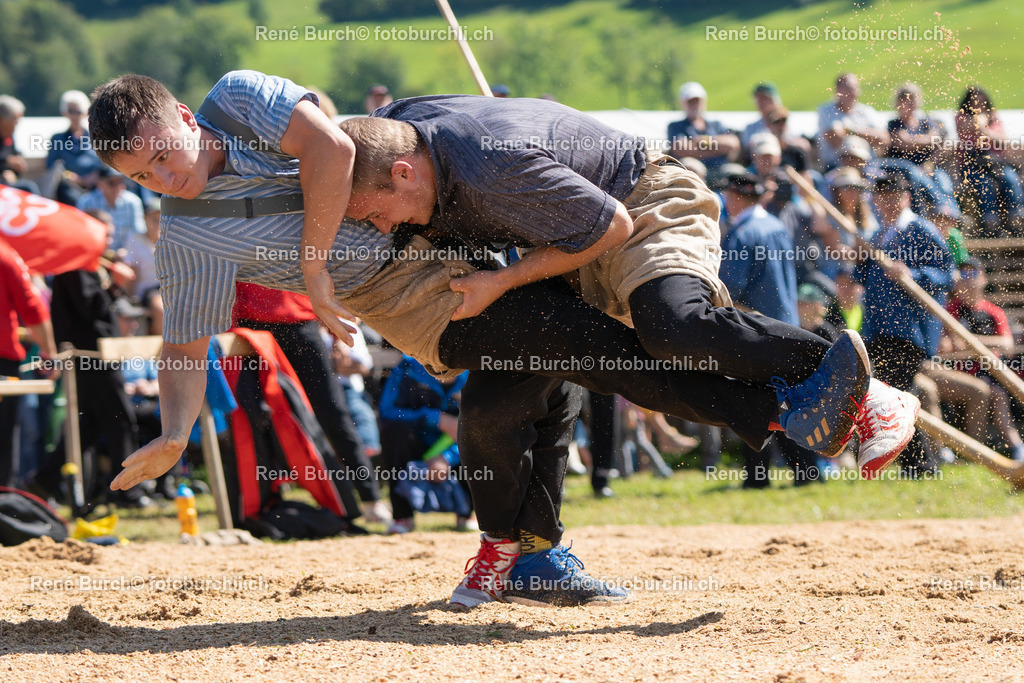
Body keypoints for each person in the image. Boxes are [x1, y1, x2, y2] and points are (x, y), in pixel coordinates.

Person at [90, 72, 897, 609]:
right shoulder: (185, 236)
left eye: (165, 155)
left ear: (186, 120)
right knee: (592, 350)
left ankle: (532, 548)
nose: (167, 178)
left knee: (528, 386)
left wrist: (312, 267)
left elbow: (334, 146)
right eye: (144, 177)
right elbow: (183, 345)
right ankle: (788, 413)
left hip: (452, 230)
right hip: (408, 293)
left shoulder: (237, 96)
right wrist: (170, 431)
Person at [340, 96, 920, 603]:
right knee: (493, 405)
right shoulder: (395, 127)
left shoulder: (493, 165)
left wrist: (499, 281)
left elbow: (611, 228)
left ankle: (866, 390)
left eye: (372, 212)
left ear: (403, 173)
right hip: (563, 245)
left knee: (674, 328)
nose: (377, 226)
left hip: (639, 210)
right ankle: (525, 553)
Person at [855, 173, 952, 476]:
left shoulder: (921, 230)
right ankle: (917, 465)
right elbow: (863, 278)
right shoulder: (875, 234)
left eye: (893, 195)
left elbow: (947, 273)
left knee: (897, 396)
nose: (886, 201)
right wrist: (859, 259)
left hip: (909, 329)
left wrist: (913, 274)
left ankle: (921, 464)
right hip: (878, 327)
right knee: (894, 396)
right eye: (881, 196)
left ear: (906, 197)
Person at [0, 239, 57, 488]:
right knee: (3, 437)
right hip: (3, 360)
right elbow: (32, 308)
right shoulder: (5, 255)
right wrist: (49, 353)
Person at [668, 81, 740, 181]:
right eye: (691, 102)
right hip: (696, 171)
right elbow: (682, 148)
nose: (695, 105)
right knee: (690, 165)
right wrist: (718, 149)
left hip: (720, 170)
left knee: (738, 173)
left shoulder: (716, 124)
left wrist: (701, 141)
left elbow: (733, 143)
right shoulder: (675, 126)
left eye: (697, 101)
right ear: (683, 103)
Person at [816, 73, 889, 172]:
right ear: (838, 91)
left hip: (868, 165)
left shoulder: (867, 111)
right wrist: (868, 135)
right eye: (848, 89)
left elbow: (884, 140)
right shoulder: (826, 110)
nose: (853, 93)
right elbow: (835, 140)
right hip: (837, 166)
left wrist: (850, 131)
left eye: (855, 88)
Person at [46, 89, 103, 205]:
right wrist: (72, 177)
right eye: (70, 111)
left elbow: (104, 163)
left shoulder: (95, 137)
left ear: (84, 113)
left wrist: (94, 177)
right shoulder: (58, 138)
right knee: (75, 199)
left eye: (78, 111)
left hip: (95, 185)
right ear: (64, 112)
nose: (74, 115)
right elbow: (50, 165)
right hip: (69, 186)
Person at [76, 166, 146, 251]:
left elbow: (139, 233)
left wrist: (127, 252)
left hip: (126, 256)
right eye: (111, 183)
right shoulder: (86, 202)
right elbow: (81, 233)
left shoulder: (133, 202)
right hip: (96, 252)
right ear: (100, 184)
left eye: (120, 182)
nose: (117, 187)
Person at [0, 95, 39, 195]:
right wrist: (6, 163)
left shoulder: (9, 137)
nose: (17, 124)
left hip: (6, 185)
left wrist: (14, 170)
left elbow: (14, 159)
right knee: (29, 188)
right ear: (3, 121)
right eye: (15, 120)